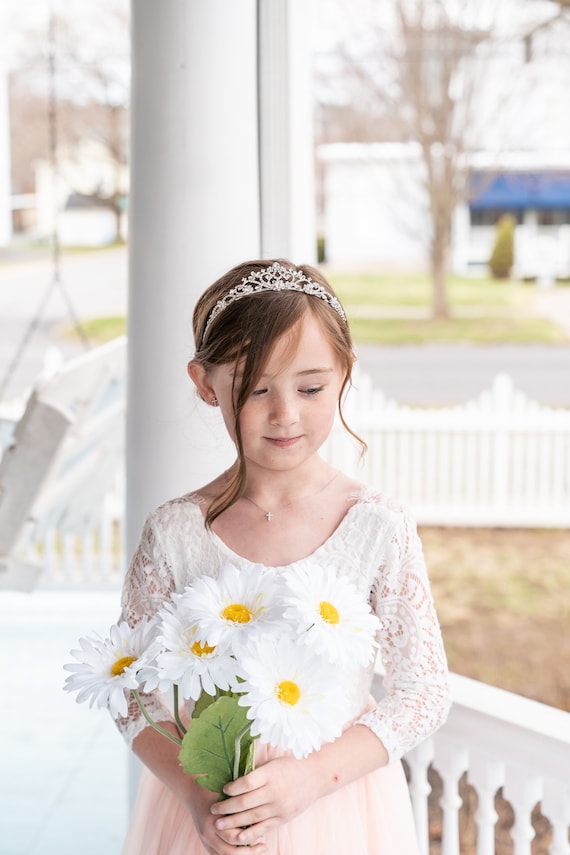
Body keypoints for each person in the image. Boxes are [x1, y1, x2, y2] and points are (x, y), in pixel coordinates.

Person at [118, 258, 451, 855]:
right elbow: (129, 692)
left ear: (345, 374)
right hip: (209, 815)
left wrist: (306, 781)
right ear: (205, 383)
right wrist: (196, 794)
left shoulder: (376, 527)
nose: (285, 414)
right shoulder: (174, 533)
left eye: (311, 387)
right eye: (255, 388)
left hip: (339, 809)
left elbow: (422, 691)